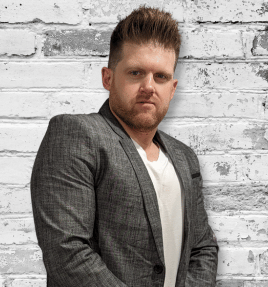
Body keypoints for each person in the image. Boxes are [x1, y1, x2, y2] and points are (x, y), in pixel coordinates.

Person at [31, 6, 218, 287]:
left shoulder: (184, 157)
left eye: (161, 77)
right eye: (135, 72)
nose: (148, 86)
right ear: (108, 78)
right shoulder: (77, 135)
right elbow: (67, 254)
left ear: (173, 88)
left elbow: (203, 248)